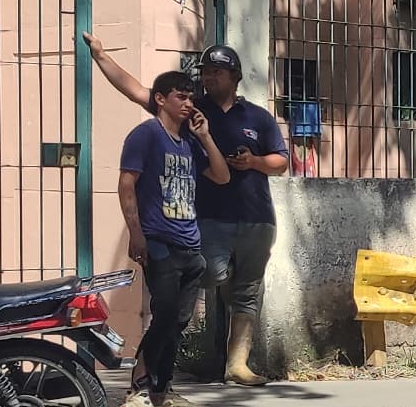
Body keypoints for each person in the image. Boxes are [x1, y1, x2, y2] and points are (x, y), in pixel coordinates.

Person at [86, 35, 291, 386]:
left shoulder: (257, 117)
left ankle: (236, 365)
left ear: (235, 76)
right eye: (206, 72)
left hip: (257, 217)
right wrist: (101, 56)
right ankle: (166, 365)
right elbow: (137, 90)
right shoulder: (189, 110)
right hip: (206, 219)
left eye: (217, 72)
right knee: (210, 276)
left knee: (247, 292)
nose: (209, 79)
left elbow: (281, 162)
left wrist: (253, 161)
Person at [116, 71, 231, 407]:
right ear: (161, 99)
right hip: (159, 240)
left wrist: (206, 136)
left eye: (190, 97)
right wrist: (136, 234)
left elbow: (222, 176)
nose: (188, 103)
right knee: (164, 316)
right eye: (181, 96)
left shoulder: (188, 143)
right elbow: (126, 184)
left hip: (189, 244)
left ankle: (161, 390)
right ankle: (137, 391)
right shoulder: (146, 135)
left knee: (178, 321)